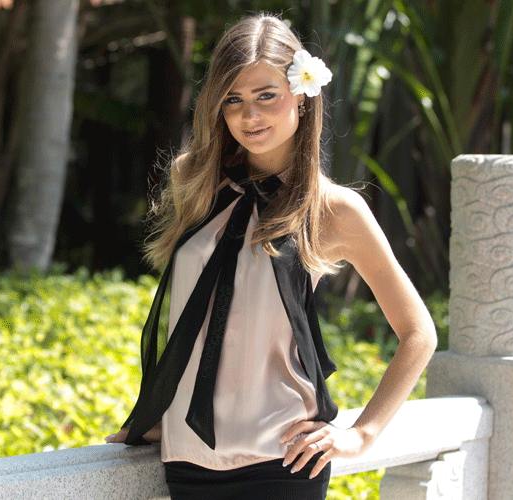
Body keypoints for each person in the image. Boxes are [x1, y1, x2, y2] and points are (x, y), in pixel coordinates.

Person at [105, 13, 437, 500]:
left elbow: (419, 333)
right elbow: (193, 314)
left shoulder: (335, 210)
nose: (249, 116)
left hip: (282, 462)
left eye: (266, 96)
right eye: (233, 100)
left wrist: (361, 435)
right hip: (187, 459)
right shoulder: (194, 181)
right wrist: (160, 410)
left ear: (301, 95)